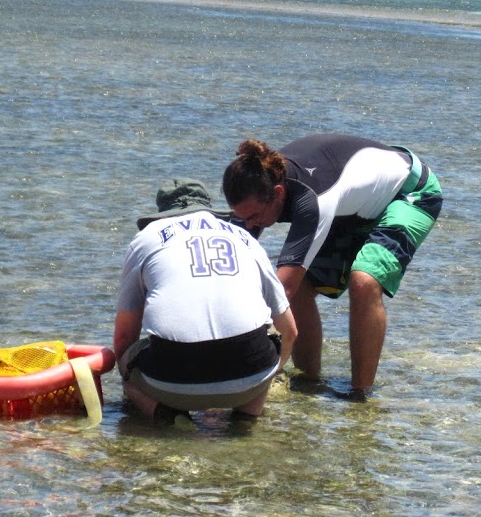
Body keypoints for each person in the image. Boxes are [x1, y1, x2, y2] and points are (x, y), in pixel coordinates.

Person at [222, 134, 442, 397]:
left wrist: (239, 359)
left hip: (408, 192)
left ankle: (360, 396)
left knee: (364, 281)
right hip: (353, 208)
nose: (249, 227)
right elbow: (230, 273)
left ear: (278, 194)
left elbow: (283, 289)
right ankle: (308, 383)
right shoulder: (261, 189)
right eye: (241, 218)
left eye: (255, 218)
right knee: (301, 286)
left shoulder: (313, 199)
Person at [114, 178, 297, 427]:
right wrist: (264, 377)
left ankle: (166, 415)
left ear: (162, 214)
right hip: (250, 373)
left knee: (127, 360)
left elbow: (124, 336)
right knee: (269, 339)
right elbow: (290, 330)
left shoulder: (146, 238)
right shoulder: (246, 239)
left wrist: (127, 376)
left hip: (173, 378)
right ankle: (244, 417)